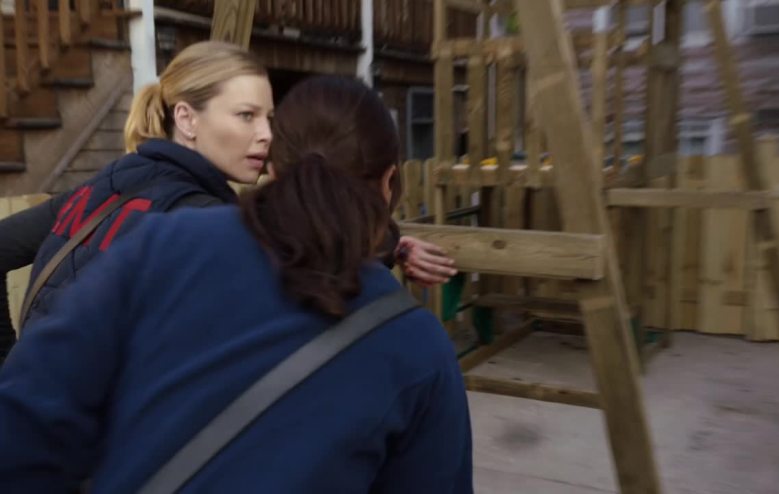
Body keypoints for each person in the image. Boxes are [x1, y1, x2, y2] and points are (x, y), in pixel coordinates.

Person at [0, 75, 473, 493]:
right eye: (244, 114)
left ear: (274, 168)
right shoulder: (419, 348)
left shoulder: (164, 242)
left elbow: (26, 417)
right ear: (389, 181)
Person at [0, 41, 455, 363]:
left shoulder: (111, 181)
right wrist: (385, 245)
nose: (266, 135)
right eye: (246, 116)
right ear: (186, 118)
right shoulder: (202, 218)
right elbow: (314, 268)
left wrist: (10, 366)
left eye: (270, 118)